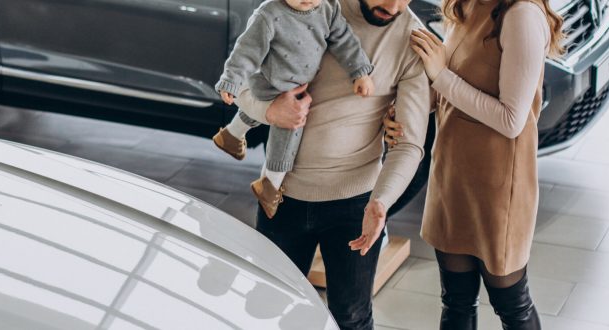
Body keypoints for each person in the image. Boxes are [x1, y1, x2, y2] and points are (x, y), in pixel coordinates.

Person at [232, 0, 429, 328]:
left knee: (351, 316)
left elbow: (410, 144)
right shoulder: (306, 5)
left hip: (355, 205)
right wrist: (268, 111)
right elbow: (236, 79)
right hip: (282, 197)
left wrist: (381, 202)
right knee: (266, 307)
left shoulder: (413, 40)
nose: (393, 6)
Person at [385, 0, 564, 328]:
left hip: (498, 187)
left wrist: (439, 75)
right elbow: (452, 83)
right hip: (452, 173)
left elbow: (511, 120)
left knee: (512, 304)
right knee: (455, 301)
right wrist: (409, 110)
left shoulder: (521, 15)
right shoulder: (466, 5)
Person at [211, 0, 376, 218]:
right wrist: (231, 80)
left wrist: (360, 72)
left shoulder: (328, 8)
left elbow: (344, 40)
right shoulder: (269, 14)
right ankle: (269, 186)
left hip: (294, 83)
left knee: (265, 115)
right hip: (271, 82)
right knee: (291, 125)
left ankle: (231, 135)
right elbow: (246, 52)